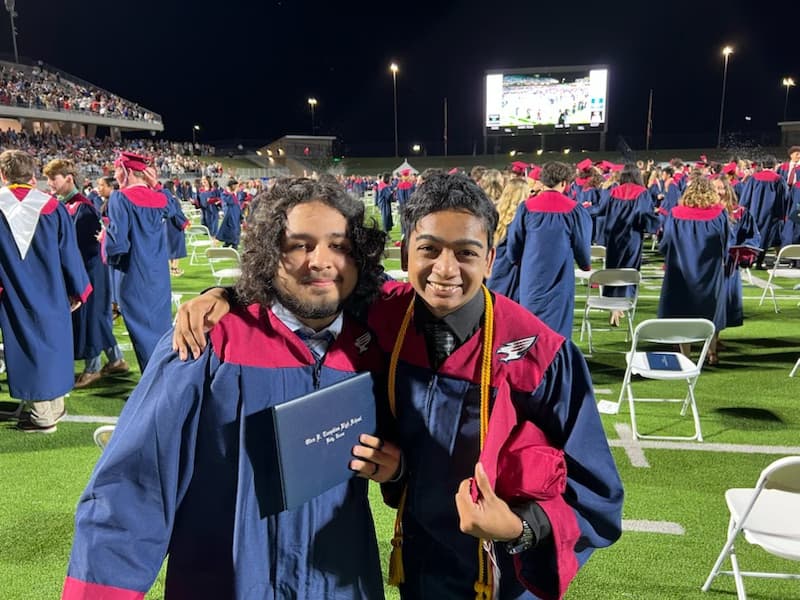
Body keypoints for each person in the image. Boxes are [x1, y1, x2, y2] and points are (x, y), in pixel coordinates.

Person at [173, 173, 624, 600]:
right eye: (429, 249)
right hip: (420, 566)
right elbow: (308, 283)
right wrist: (225, 295)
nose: (445, 269)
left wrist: (518, 528)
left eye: (466, 253)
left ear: (490, 258)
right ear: (405, 252)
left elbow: (597, 495)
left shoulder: (538, 354)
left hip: (502, 574)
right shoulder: (385, 315)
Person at [63, 178, 399, 599]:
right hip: (226, 580)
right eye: (299, 245)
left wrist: (397, 470)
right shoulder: (208, 342)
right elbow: (136, 486)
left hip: (340, 580)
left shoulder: (373, 347)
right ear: (268, 254)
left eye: (340, 245)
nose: (321, 261)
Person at [0, 149, 91, 433]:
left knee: (26, 343)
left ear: (3, 176)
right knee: (54, 341)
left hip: (13, 291)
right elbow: (69, 253)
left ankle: (42, 416)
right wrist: (79, 289)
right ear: (33, 175)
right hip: (53, 289)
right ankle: (55, 407)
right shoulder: (53, 207)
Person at [42, 159, 128, 388]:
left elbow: (85, 249)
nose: (50, 183)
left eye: (54, 178)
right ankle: (116, 359)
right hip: (85, 270)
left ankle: (92, 369)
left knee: (90, 318)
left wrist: (74, 278)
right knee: (97, 318)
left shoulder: (82, 207)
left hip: (88, 272)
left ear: (68, 178)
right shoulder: (68, 205)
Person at [504, 162, 592, 339]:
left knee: (530, 322)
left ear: (543, 182)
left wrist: (516, 260)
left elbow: (514, 244)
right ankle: (556, 362)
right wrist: (585, 264)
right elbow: (582, 245)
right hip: (560, 276)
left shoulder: (527, 207)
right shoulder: (574, 209)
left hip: (531, 275)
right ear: (564, 183)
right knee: (557, 326)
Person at [104, 151, 172, 372]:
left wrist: (104, 239)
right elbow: (177, 215)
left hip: (133, 275)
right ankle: (167, 379)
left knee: (143, 338)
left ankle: (155, 389)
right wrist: (156, 185)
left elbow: (118, 245)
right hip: (159, 277)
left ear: (127, 171)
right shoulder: (162, 198)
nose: (115, 175)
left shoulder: (120, 198)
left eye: (116, 170)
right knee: (162, 335)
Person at [658, 176, 729, 362]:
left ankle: (686, 356)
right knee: (710, 309)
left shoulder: (675, 213)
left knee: (683, 310)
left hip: (680, 268)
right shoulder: (719, 213)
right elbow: (726, 242)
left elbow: (666, 242)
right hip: (710, 270)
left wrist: (668, 254)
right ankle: (712, 353)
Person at [593, 163, 658, 326]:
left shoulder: (614, 191)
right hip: (632, 237)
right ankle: (621, 305)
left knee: (613, 268)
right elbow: (643, 216)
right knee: (628, 270)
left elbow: (603, 211)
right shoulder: (642, 193)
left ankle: (613, 307)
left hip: (614, 237)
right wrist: (656, 221)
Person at [738, 156, 789, 269]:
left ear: (762, 165)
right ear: (775, 166)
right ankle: (759, 262)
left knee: (752, 235)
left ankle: (749, 260)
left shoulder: (754, 178)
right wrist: (781, 215)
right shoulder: (778, 179)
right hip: (770, 215)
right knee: (765, 237)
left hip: (753, 212)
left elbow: (746, 197)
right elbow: (783, 198)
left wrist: (743, 209)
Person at [216, 178, 242, 249]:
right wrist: (233, 193)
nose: (236, 188)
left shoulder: (237, 193)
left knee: (236, 228)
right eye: (235, 186)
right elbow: (231, 201)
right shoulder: (225, 194)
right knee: (230, 227)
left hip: (236, 212)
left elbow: (238, 202)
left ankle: (234, 243)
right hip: (229, 213)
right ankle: (229, 242)